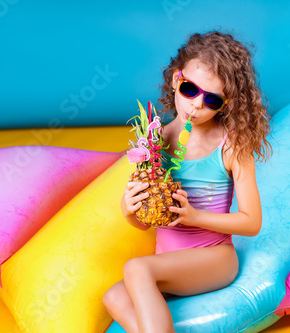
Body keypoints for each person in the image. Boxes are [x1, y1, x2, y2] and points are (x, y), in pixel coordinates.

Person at [103, 31, 272, 333]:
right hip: (169, 262)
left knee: (136, 269)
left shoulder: (231, 146)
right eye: (189, 89)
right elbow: (147, 221)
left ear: (226, 104)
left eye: (211, 99)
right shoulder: (156, 141)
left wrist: (195, 217)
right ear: (174, 79)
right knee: (113, 296)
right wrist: (130, 210)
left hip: (214, 259)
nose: (196, 105)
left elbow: (252, 222)